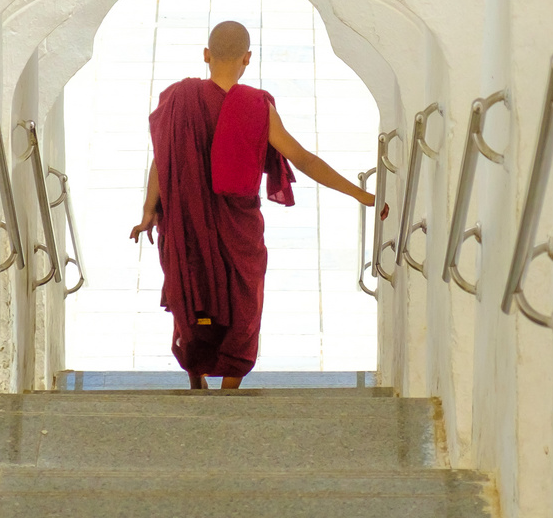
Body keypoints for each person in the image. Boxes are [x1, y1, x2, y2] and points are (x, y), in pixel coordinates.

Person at [129, 20, 385, 390]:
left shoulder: (177, 99)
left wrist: (148, 211)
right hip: (239, 232)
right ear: (247, 59)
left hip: (187, 226)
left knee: (193, 293)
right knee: (242, 305)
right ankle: (229, 392)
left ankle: (196, 383)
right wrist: (362, 195)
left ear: (206, 56)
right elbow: (303, 159)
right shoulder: (256, 107)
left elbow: (162, 159)